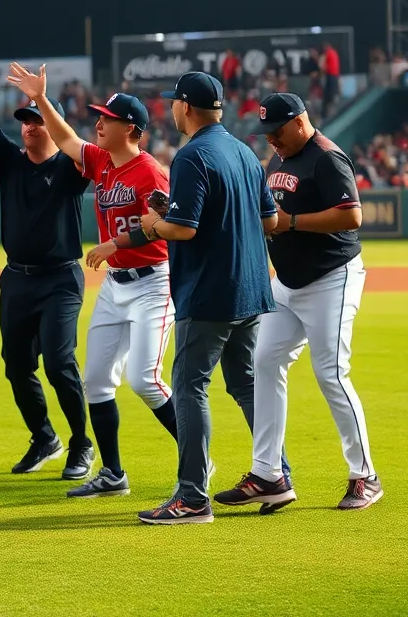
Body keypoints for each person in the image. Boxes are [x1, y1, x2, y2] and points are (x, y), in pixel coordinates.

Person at [11, 67, 179, 496]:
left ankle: (196, 458)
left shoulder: (151, 172)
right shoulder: (101, 160)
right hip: (116, 285)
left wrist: (114, 243)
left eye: (108, 118)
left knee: (146, 380)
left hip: (152, 283)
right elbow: (65, 138)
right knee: (97, 381)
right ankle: (113, 474)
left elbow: (166, 224)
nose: (99, 122)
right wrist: (41, 99)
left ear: (132, 129)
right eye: (99, 116)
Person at [215, 93, 382, 512]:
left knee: (332, 374)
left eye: (278, 130)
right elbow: (274, 216)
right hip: (286, 283)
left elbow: (352, 215)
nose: (271, 138)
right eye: (267, 132)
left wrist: (290, 223)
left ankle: (365, 476)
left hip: (331, 278)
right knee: (265, 363)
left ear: (301, 121)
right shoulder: (279, 159)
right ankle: (268, 474)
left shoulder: (327, 157)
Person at [135, 71, 278, 525]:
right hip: (252, 288)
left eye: (173, 103)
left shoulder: (192, 155)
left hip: (209, 292)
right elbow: (269, 221)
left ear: (186, 107)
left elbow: (185, 229)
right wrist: (173, 208)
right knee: (246, 384)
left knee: (190, 388)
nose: (170, 110)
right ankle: (275, 477)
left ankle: (192, 499)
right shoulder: (244, 151)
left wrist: (153, 225)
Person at [0, 53, 95, 479]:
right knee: (15, 364)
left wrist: (45, 103)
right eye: (25, 119)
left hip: (60, 279)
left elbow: (78, 148)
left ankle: (81, 443)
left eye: (37, 119)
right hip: (18, 279)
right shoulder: (11, 161)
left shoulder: (70, 167)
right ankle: (44, 437)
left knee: (60, 363)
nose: (28, 125)